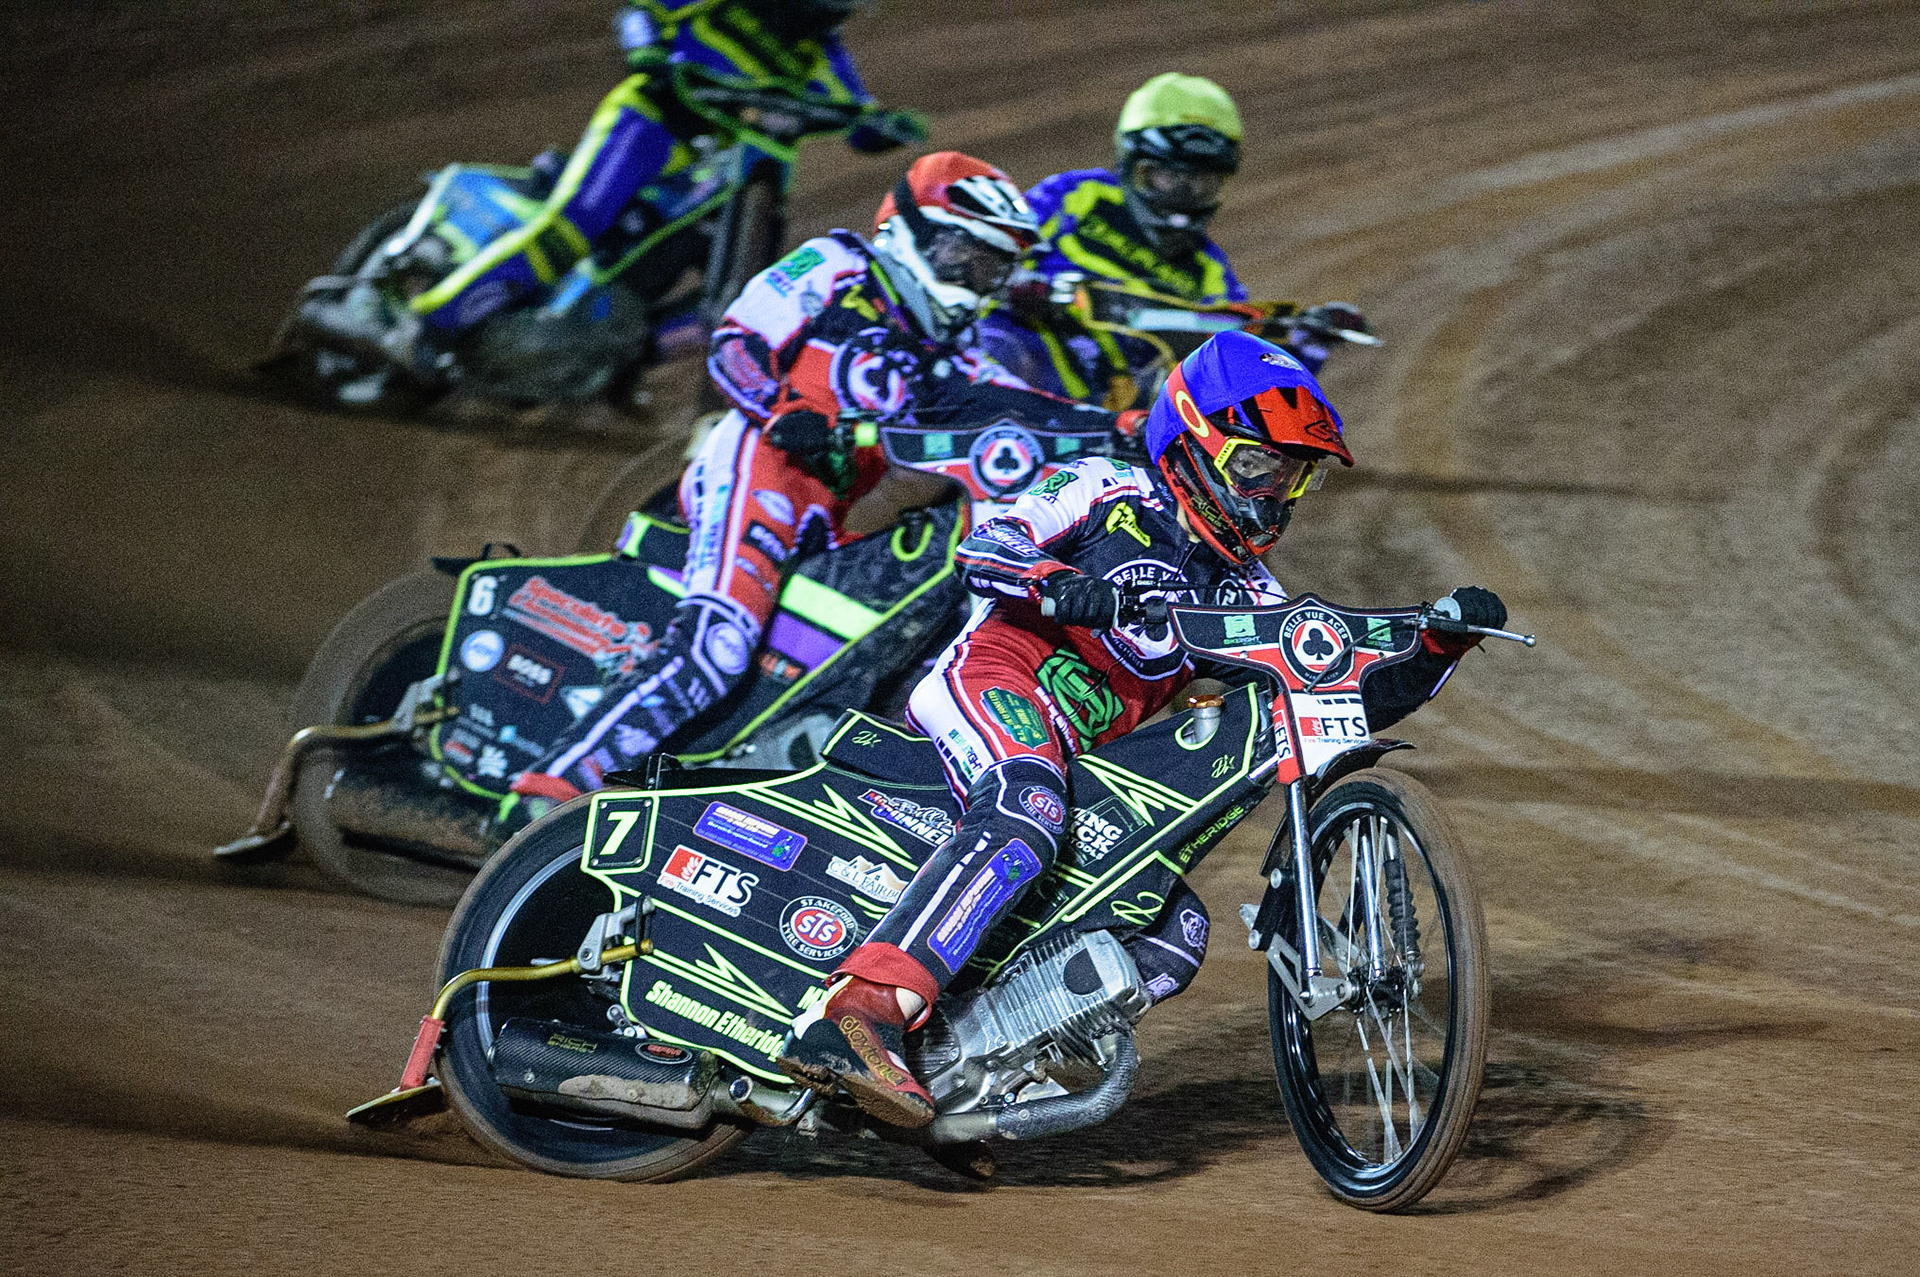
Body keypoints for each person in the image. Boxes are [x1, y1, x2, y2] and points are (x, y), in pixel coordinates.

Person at [778, 329, 1504, 1127]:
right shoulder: (1106, 488)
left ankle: (965, 1071)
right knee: (1029, 803)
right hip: (991, 682)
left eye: (1292, 478)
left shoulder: (1243, 592)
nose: (1272, 495)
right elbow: (988, 545)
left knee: (1174, 928)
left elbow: (1330, 697)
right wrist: (1056, 582)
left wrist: (1436, 645)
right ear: (1194, 443)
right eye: (1257, 466)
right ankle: (859, 1013)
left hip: (1076, 755)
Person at [509, 150, 1092, 809]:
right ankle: (545, 789)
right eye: (975, 258)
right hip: (758, 464)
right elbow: (736, 341)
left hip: (830, 513)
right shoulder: (840, 264)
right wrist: (783, 408)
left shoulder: (951, 355)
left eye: (996, 267)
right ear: (926, 233)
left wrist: (1129, 431)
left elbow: (1030, 411)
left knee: (832, 654)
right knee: (720, 645)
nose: (982, 281)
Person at [308, 0, 927, 373]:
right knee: (572, 228)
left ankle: (612, 360)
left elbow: (858, 115)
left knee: (738, 280)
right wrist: (650, 53)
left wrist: (885, 128)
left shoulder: (821, 50)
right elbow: (641, 12)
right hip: (650, 123)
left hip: (733, 168)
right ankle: (423, 324)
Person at [976, 72, 1367, 408]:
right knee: (996, 345)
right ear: (1130, 165)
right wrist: (1017, 287)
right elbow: (987, 250)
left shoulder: (1209, 272)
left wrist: (1303, 346)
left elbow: (1233, 371)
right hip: (1020, 359)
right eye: (1165, 177)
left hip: (1110, 415)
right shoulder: (1076, 196)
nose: (1180, 196)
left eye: (1199, 182)